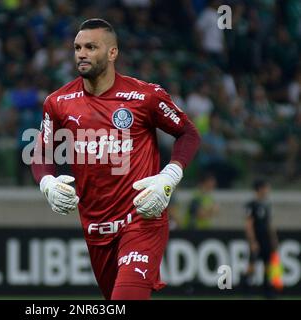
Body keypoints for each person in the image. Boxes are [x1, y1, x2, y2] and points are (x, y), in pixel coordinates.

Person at [31, 19, 200, 300]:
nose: (81, 54)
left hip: (142, 218)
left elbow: (189, 134)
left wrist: (169, 178)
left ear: (112, 53)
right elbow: (41, 151)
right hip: (96, 228)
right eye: (77, 48)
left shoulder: (145, 96)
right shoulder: (58, 102)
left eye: (91, 47)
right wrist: (47, 183)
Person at [243, 179, 279, 299]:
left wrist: (274, 240)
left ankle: (267, 291)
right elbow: (249, 224)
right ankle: (246, 291)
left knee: (267, 265)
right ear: (260, 189)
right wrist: (252, 241)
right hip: (256, 239)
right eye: (266, 188)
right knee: (252, 265)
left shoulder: (267, 205)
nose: (268, 190)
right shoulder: (251, 205)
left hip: (266, 239)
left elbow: (269, 224)